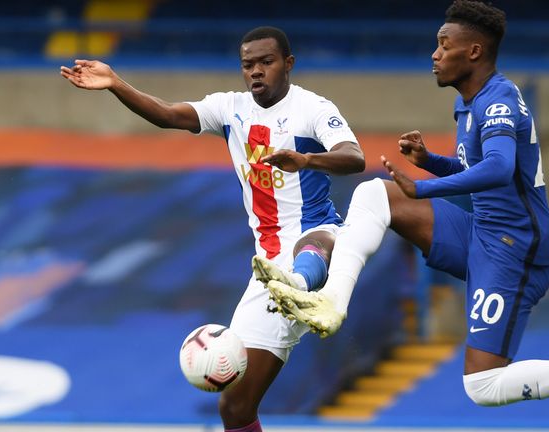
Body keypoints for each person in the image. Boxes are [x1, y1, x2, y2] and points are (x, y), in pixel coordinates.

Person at [256, 1, 549, 429]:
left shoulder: (499, 98)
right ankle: (331, 302)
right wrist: (430, 161)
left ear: (473, 52)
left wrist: (424, 186)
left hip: (514, 250)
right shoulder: (470, 104)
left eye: (443, 45)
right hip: (481, 230)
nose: (434, 53)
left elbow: (501, 168)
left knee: (483, 385)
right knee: (375, 194)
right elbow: (481, 171)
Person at [60, 26, 364, 432]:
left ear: (288, 64)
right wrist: (116, 84)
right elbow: (168, 114)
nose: (256, 72)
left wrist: (307, 161)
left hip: (316, 239)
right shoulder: (230, 108)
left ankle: (301, 285)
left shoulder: (312, 108)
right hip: (266, 268)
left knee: (319, 239)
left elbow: (354, 156)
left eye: (266, 62)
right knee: (234, 408)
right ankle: (289, 286)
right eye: (248, 65)